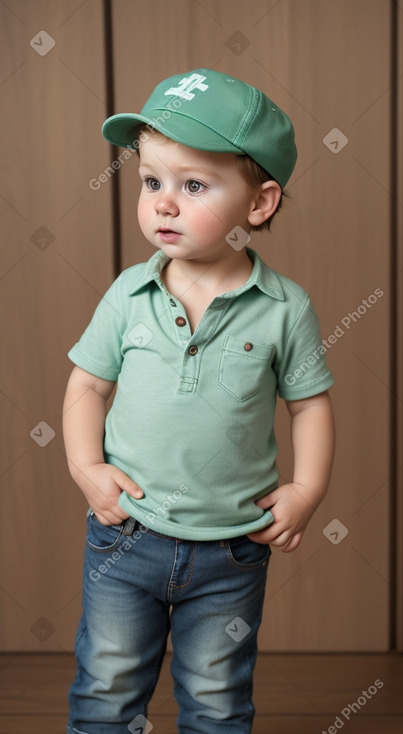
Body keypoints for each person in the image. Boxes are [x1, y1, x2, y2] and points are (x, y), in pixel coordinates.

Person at [63, 68, 335, 734]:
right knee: (105, 686)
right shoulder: (127, 295)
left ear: (259, 203)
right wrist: (85, 467)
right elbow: (87, 387)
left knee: (216, 699)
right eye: (151, 181)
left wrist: (306, 490)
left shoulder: (283, 308)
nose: (163, 203)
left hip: (230, 548)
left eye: (193, 186)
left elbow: (310, 406)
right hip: (125, 536)